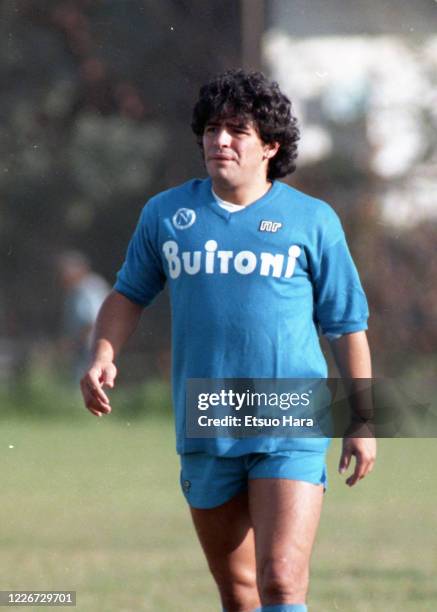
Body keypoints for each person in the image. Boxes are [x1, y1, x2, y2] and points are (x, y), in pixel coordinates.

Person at [80, 69, 376, 612]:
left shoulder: (313, 221)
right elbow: (127, 296)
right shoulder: (168, 215)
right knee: (240, 595)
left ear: (270, 146)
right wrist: (103, 354)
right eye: (212, 128)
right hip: (209, 414)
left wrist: (362, 417)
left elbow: (345, 324)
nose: (220, 140)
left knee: (282, 582)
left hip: (292, 412)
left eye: (237, 130)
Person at [57, 251, 110, 381]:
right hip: (90, 347)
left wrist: (73, 343)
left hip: (90, 348)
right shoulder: (80, 288)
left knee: (88, 383)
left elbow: (92, 320)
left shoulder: (87, 288)